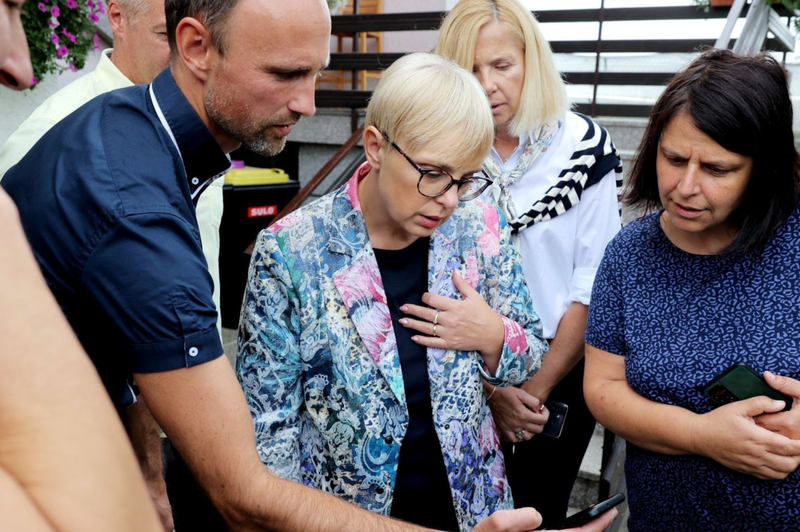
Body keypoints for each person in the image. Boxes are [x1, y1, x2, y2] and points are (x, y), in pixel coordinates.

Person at [1, 0, 617, 531]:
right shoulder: (155, 213)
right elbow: (247, 480)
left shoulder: (126, 133)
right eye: (287, 72)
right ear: (194, 47)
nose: (308, 101)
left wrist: (493, 345)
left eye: (318, 72)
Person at [238, 52, 550, 531]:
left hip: (473, 509)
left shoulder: (477, 226)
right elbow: (269, 426)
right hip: (344, 518)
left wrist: (493, 335)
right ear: (375, 146)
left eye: (465, 179)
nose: (448, 199)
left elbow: (528, 355)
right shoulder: (292, 249)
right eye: (432, 173)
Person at [584, 48, 800, 532]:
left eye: (717, 170)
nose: (685, 186)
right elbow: (602, 387)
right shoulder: (629, 254)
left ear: (762, 168)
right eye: (673, 158)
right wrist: (701, 434)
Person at [435, 0, 622, 525]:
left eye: (502, 65)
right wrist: (493, 392)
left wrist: (532, 390)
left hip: (560, 368)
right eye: (469, 69)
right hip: (462, 369)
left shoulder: (583, 146)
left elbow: (595, 283)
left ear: (531, 62)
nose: (487, 84)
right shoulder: (445, 150)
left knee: (542, 508)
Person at [0, 1, 181, 528]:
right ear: (117, 19)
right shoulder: (54, 135)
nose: (21, 66)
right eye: (168, 35)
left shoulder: (187, 134)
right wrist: (145, 470)